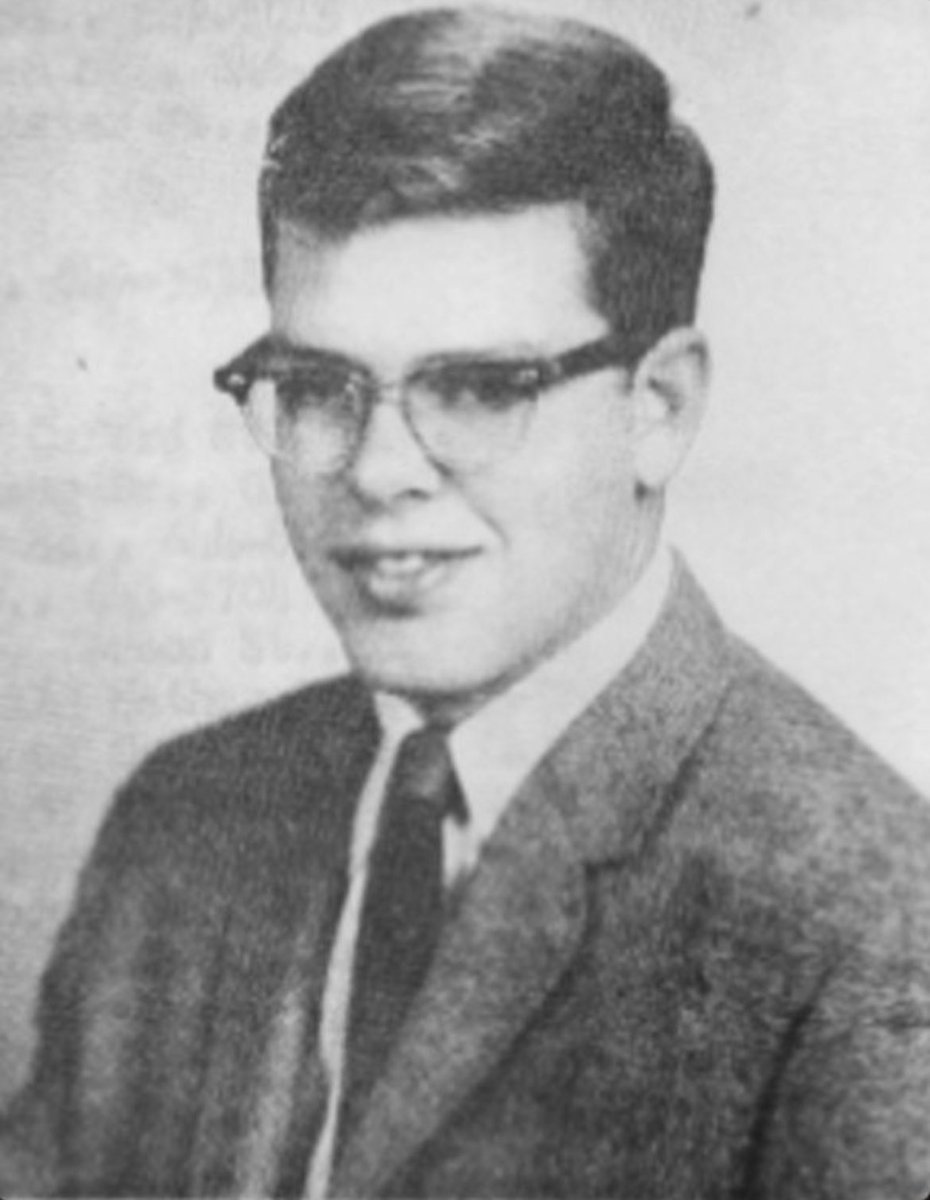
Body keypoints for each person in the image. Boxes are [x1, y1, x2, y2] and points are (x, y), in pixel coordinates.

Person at [2, 6, 930, 1198]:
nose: (381, 470)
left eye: (485, 388)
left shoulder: (868, 925)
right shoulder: (185, 824)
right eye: (318, 386)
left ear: (660, 408)